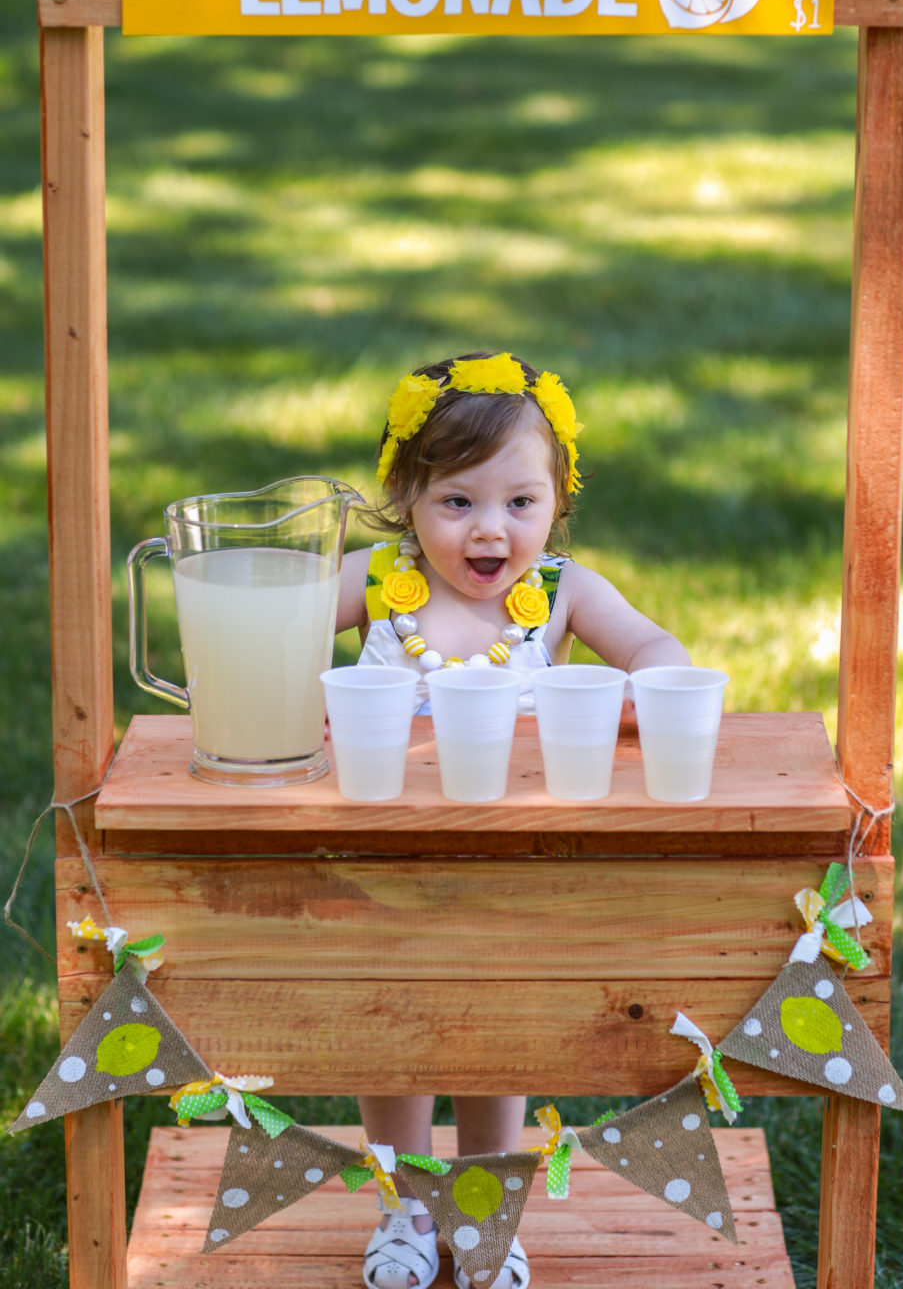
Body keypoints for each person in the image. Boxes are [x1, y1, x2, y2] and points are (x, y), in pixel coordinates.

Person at [334, 351, 691, 1289]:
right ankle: (405, 1208)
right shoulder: (378, 583)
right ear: (406, 498)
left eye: (520, 503)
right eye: (458, 502)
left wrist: (645, 686)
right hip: (386, 867)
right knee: (394, 1033)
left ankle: (487, 1212)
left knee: (499, 1034)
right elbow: (276, 624)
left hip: (513, 865)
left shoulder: (564, 592)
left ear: (556, 502)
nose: (491, 529)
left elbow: (655, 644)